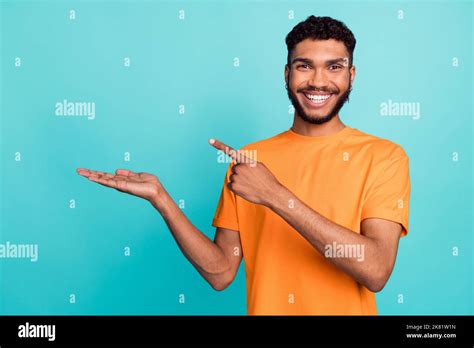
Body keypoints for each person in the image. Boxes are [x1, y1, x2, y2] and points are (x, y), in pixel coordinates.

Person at [77, 15, 410, 315]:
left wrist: (273, 194)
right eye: (304, 66)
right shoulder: (250, 160)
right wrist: (162, 199)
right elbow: (221, 272)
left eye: (334, 67)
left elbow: (376, 270)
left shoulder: (384, 157)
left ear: (351, 75)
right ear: (287, 73)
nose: (318, 81)